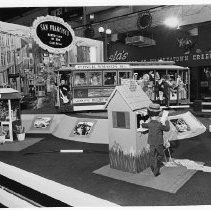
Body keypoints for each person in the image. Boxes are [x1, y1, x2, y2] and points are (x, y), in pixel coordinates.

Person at [140, 103, 170, 177]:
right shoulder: (159, 124)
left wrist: (141, 123)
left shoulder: (149, 123)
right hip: (159, 143)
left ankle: (153, 167)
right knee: (161, 155)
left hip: (151, 143)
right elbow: (167, 129)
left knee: (152, 156)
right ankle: (156, 170)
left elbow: (144, 125)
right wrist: (166, 121)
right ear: (157, 116)